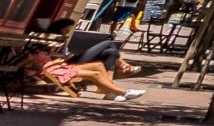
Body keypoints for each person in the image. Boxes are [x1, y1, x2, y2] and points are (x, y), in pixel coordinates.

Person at [21, 37, 149, 102]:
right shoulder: (31, 54)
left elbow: (59, 57)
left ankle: (110, 90)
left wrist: (60, 58)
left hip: (63, 64)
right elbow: (39, 69)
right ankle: (123, 91)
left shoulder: (48, 49)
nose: (47, 52)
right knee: (108, 45)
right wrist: (58, 60)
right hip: (57, 69)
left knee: (107, 56)